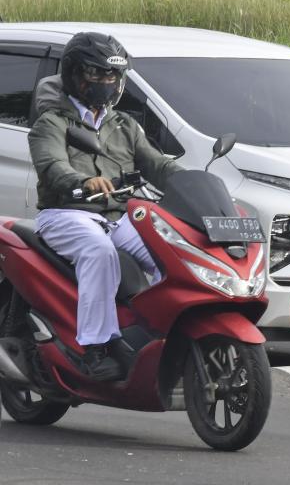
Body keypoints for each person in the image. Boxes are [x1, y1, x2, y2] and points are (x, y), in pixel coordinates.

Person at [28, 32, 183, 381]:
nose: (105, 82)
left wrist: (196, 186)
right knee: (100, 253)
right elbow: (52, 164)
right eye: (95, 74)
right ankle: (95, 349)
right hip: (67, 214)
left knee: (171, 251)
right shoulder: (52, 123)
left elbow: (158, 165)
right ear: (74, 75)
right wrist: (81, 181)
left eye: (111, 75)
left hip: (119, 215)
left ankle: (167, 336)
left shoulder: (124, 125)